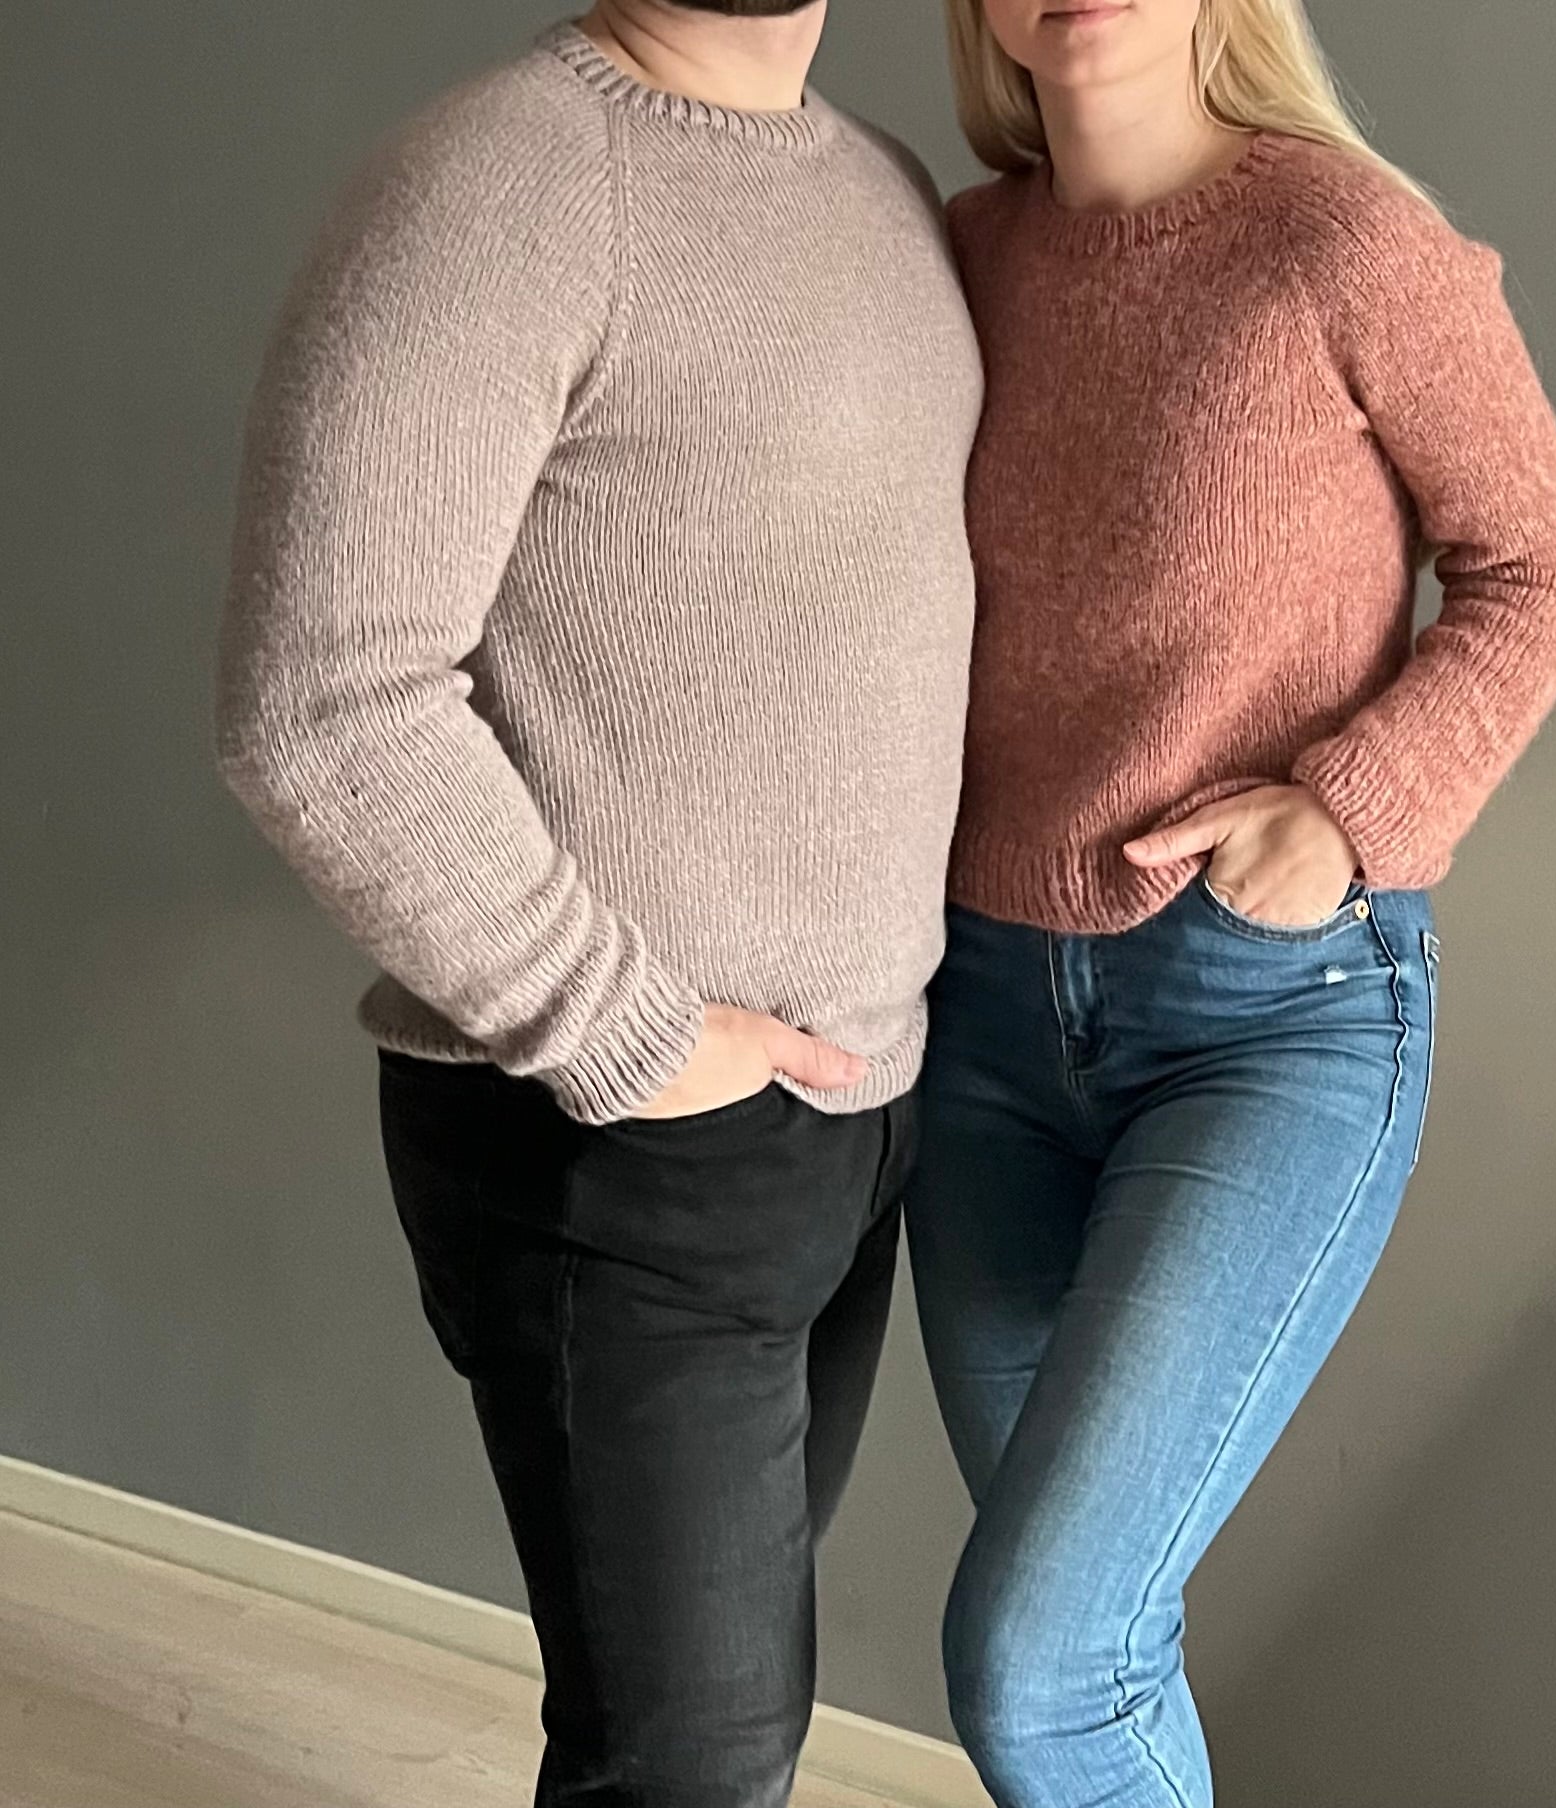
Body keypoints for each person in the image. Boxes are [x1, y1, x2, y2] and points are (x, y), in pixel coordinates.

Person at [214, 0, 979, 1800]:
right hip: (615, 1131)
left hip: (854, 1111)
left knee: (716, 1727)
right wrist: (627, 1033)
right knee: (690, 1764)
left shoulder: (883, 188)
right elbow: (318, 704)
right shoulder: (494, 185)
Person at [906, 1, 1556, 1803]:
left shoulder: (1341, 237)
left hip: (1260, 1020)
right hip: (975, 1030)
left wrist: (1353, 809)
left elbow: (1539, 566)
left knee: (1038, 1666)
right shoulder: (956, 258)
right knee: (1092, 1645)